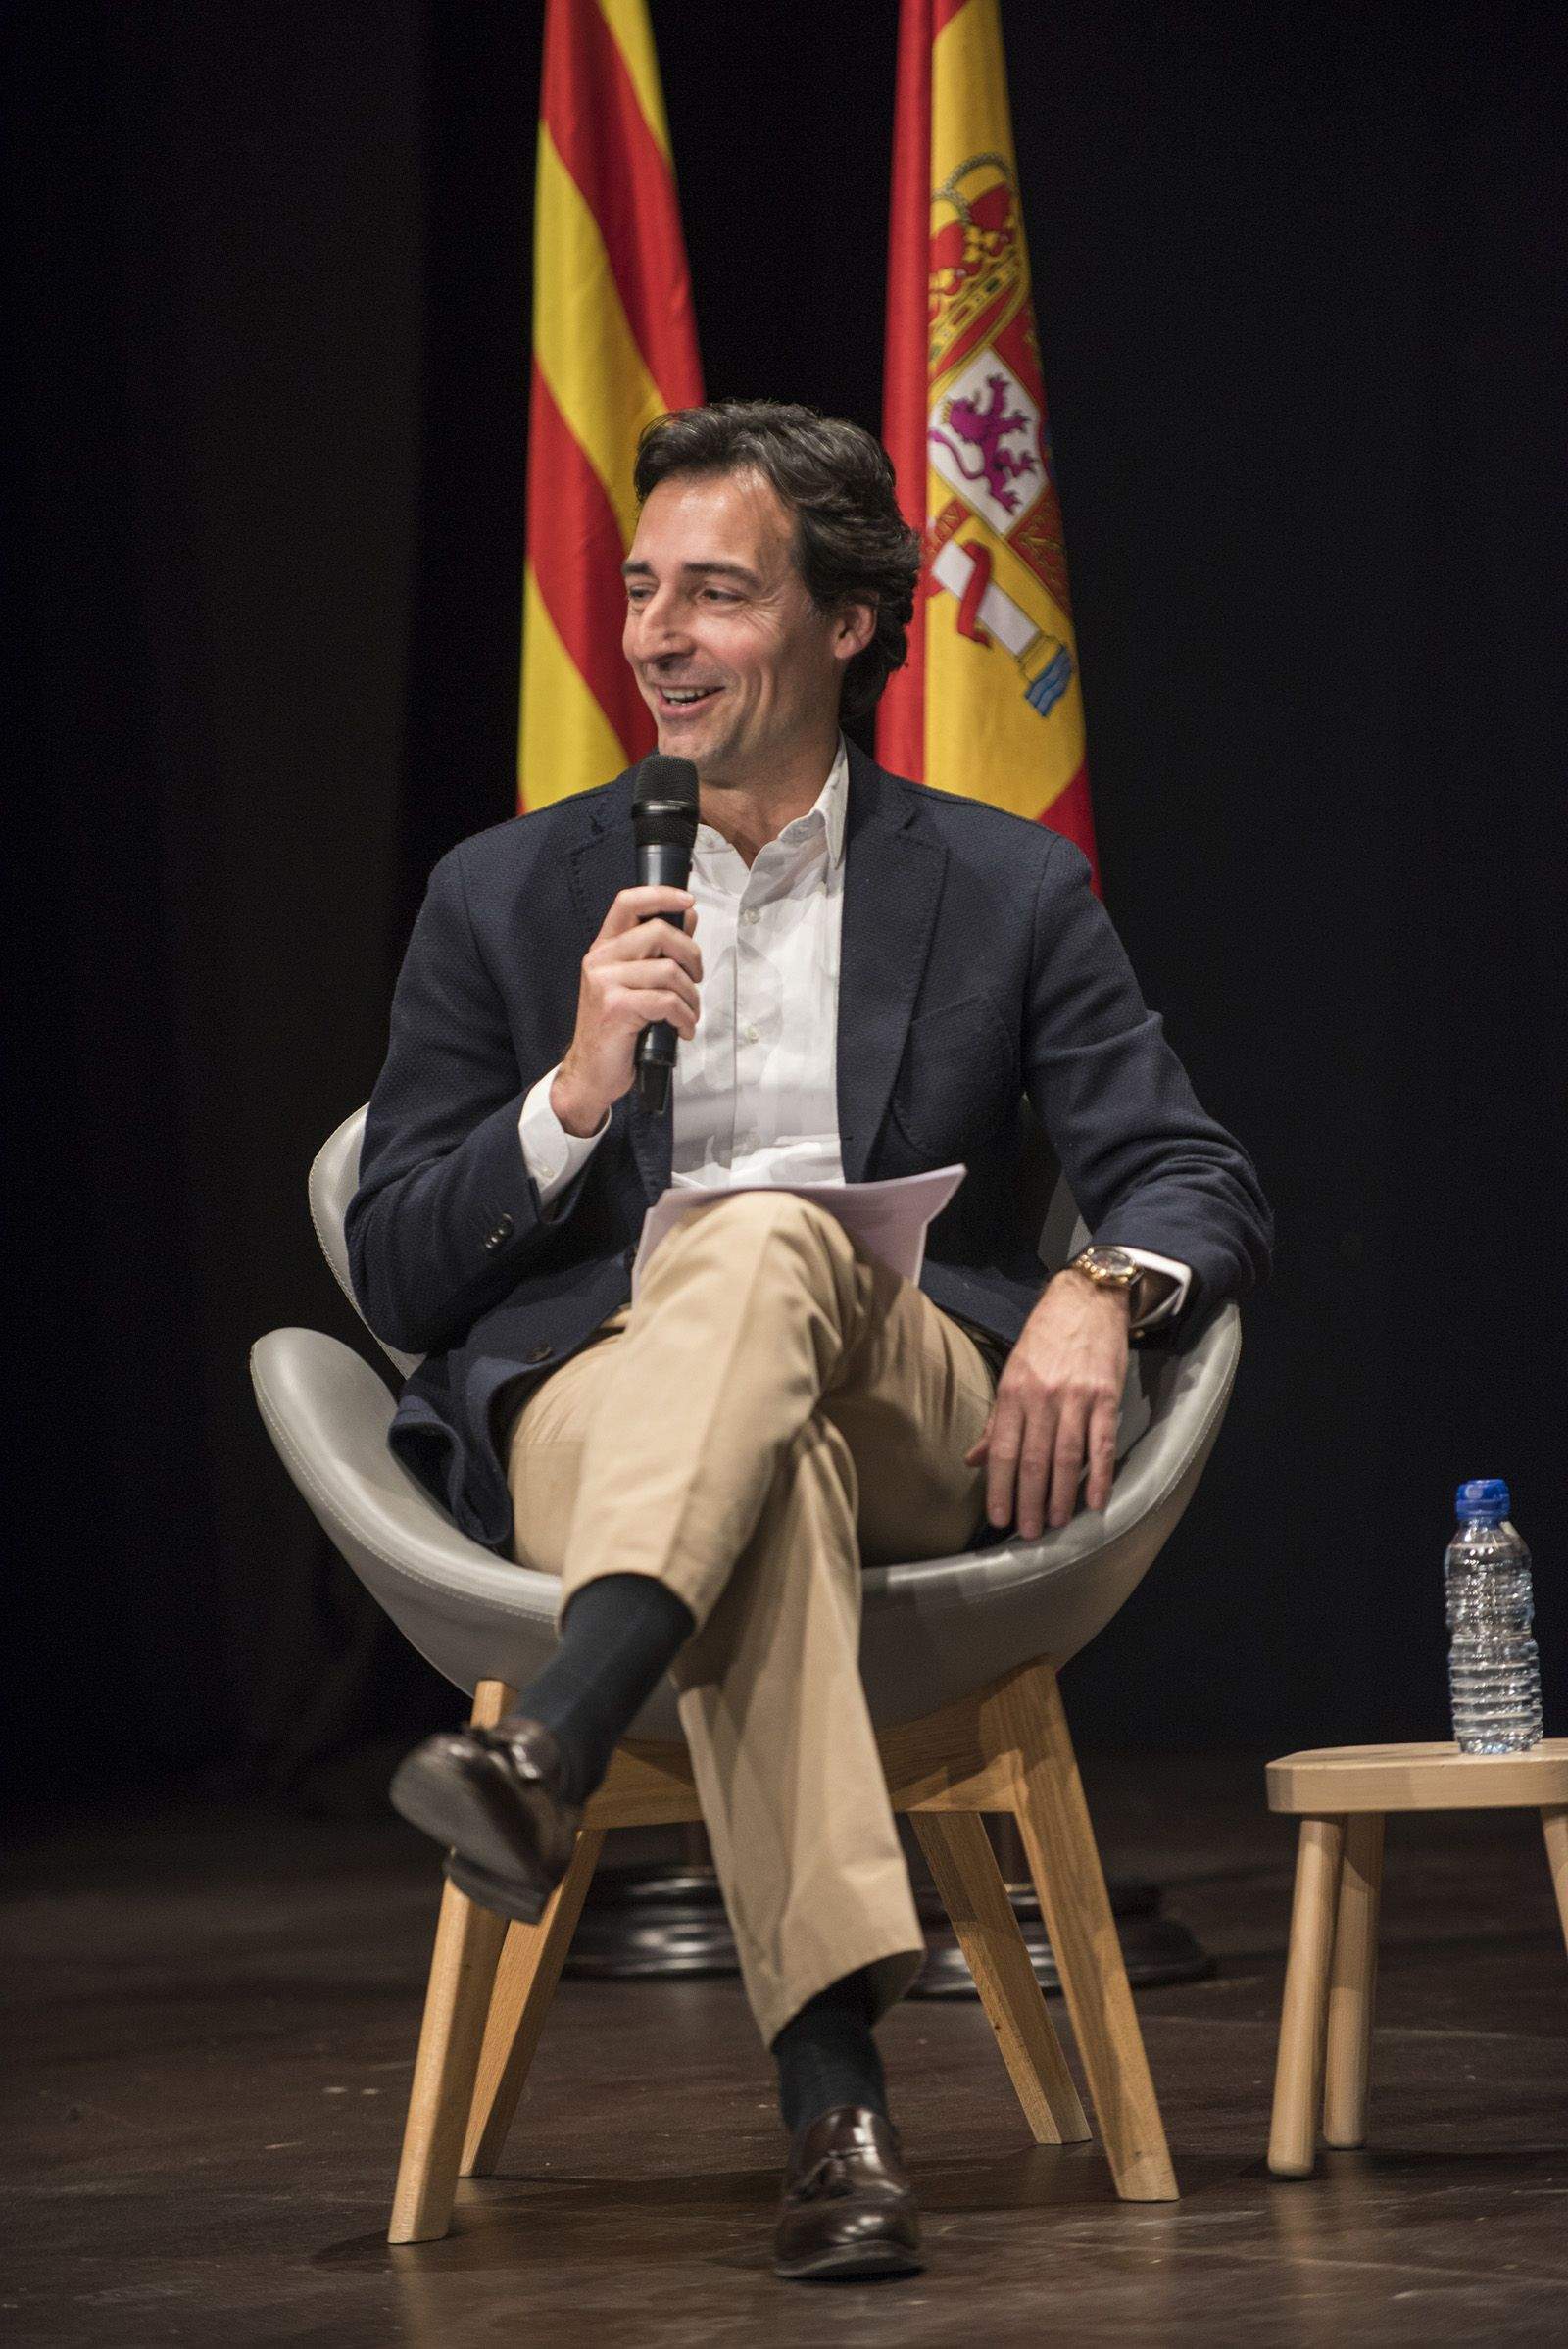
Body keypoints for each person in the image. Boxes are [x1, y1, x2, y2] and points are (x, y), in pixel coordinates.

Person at [348, 399, 1272, 2281]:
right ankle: (833, 2108)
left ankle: (567, 1732)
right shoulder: (505, 892)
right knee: (773, 1477)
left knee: (773, 1242)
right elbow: (392, 1270)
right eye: (639, 592)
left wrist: (1102, 1289)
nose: (658, 637)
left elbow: (1186, 1169)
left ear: (848, 621)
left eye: (717, 593)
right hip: (599, 1409)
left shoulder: (1005, 887)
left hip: (914, 1372)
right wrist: (575, 1092)